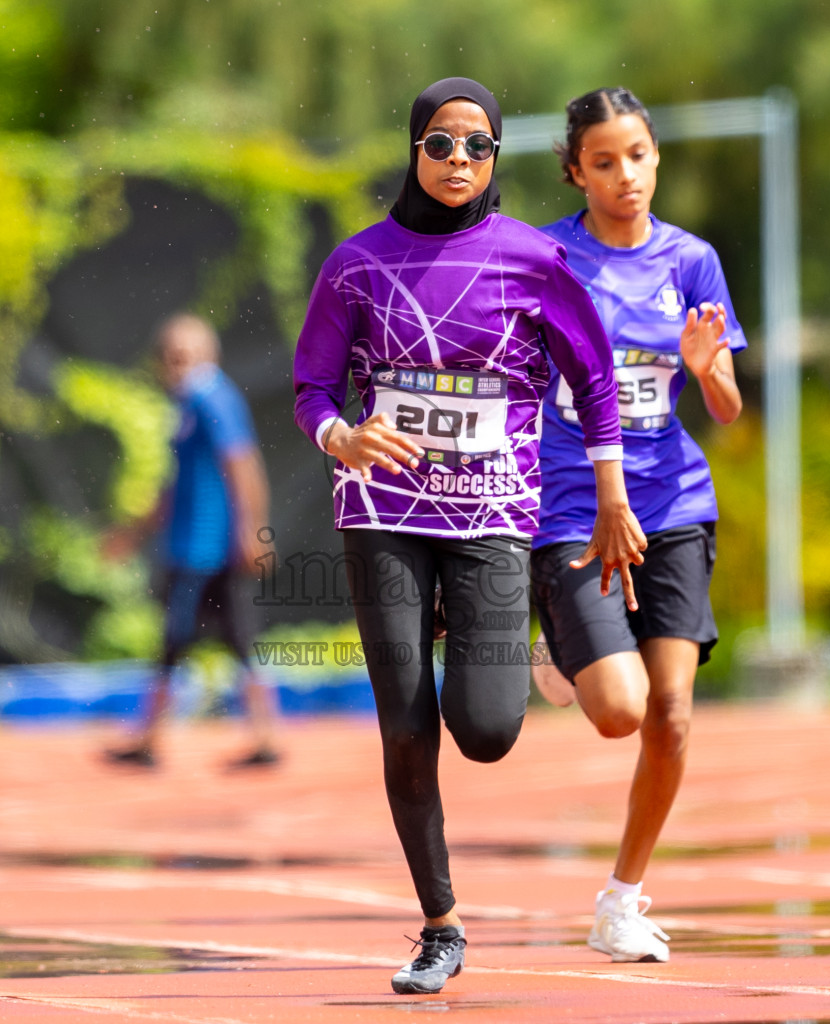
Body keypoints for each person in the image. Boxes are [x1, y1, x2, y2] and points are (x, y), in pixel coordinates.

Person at [293, 77, 646, 995]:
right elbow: (312, 389)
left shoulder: (533, 259)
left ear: (498, 158)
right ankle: (439, 924)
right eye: (442, 145)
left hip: (493, 513)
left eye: (478, 147)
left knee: (484, 731)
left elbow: (597, 379)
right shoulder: (358, 265)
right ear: (414, 149)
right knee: (407, 726)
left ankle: (516, 625)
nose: (459, 162)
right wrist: (342, 435)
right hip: (383, 512)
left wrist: (609, 494)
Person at [528, 87, 745, 964]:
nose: (627, 176)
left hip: (673, 501)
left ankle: (621, 900)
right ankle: (557, 640)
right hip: (571, 504)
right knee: (618, 711)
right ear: (576, 171)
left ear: (658, 157)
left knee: (673, 718)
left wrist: (706, 366)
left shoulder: (692, 261)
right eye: (605, 162)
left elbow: (726, 406)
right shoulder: (546, 257)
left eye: (640, 157)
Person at [103, 313, 280, 770]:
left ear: (208, 356)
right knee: (235, 641)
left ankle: (150, 740)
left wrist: (253, 532)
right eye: (169, 357)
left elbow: (244, 465)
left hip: (204, 548)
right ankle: (263, 738)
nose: (175, 366)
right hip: (193, 544)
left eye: (184, 356)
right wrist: (132, 533)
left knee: (176, 642)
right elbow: (175, 487)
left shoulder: (210, 397)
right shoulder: (188, 406)